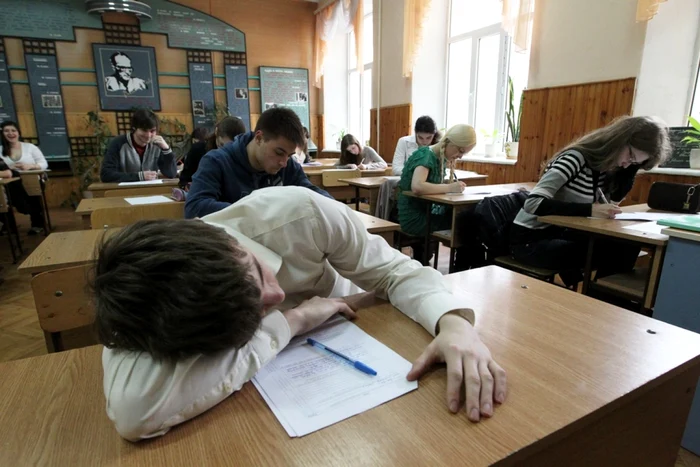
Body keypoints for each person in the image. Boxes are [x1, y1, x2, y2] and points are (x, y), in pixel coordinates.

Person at [93, 186, 507, 441]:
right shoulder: (144, 309)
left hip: (354, 332)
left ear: (231, 243)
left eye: (258, 272)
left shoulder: (301, 213)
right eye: (258, 312)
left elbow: (395, 271)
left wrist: (454, 323)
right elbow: (134, 413)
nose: (276, 294)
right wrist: (290, 322)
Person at [509, 116, 671, 286]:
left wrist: (629, 173)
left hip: (564, 234)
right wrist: (590, 210)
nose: (626, 164)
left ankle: (602, 298)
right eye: (630, 156)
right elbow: (533, 203)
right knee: (607, 252)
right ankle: (597, 297)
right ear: (618, 140)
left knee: (627, 246)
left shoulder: (605, 168)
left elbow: (610, 204)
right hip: (530, 241)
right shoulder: (574, 159)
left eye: (635, 163)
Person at [185, 107, 331, 219]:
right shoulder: (217, 161)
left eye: (290, 155)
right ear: (259, 138)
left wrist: (337, 208)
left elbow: (310, 192)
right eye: (279, 153)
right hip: (231, 247)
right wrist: (257, 210)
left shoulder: (288, 165)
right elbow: (194, 208)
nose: (284, 163)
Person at [397, 124, 476, 264]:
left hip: (425, 210)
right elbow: (417, 186)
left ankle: (461, 263)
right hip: (414, 216)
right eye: (460, 151)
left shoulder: (438, 157)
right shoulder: (427, 156)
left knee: (466, 220)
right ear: (450, 142)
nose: (460, 156)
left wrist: (448, 186)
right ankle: (461, 266)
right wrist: (449, 187)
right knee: (463, 224)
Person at [100, 108, 177, 183]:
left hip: (151, 190)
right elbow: (106, 175)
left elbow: (171, 174)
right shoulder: (117, 143)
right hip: (123, 191)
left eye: (152, 131)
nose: (148, 135)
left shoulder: (158, 145)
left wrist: (167, 150)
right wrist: (138, 176)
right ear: (134, 128)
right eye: (144, 130)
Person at [0, 121, 48, 234]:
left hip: (32, 180)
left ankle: (37, 224)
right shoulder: (0, 150)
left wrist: (30, 166)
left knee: (33, 195)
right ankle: (9, 225)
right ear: (2, 133)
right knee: (3, 197)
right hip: (10, 183)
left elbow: (43, 164)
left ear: (18, 133)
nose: (10, 133)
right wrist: (9, 168)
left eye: (13, 130)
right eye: (6, 131)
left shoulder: (30, 147)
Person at [179, 117, 246, 189]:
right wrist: (188, 186)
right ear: (216, 132)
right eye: (221, 145)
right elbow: (184, 180)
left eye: (232, 148)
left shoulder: (244, 156)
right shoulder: (198, 150)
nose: (225, 152)